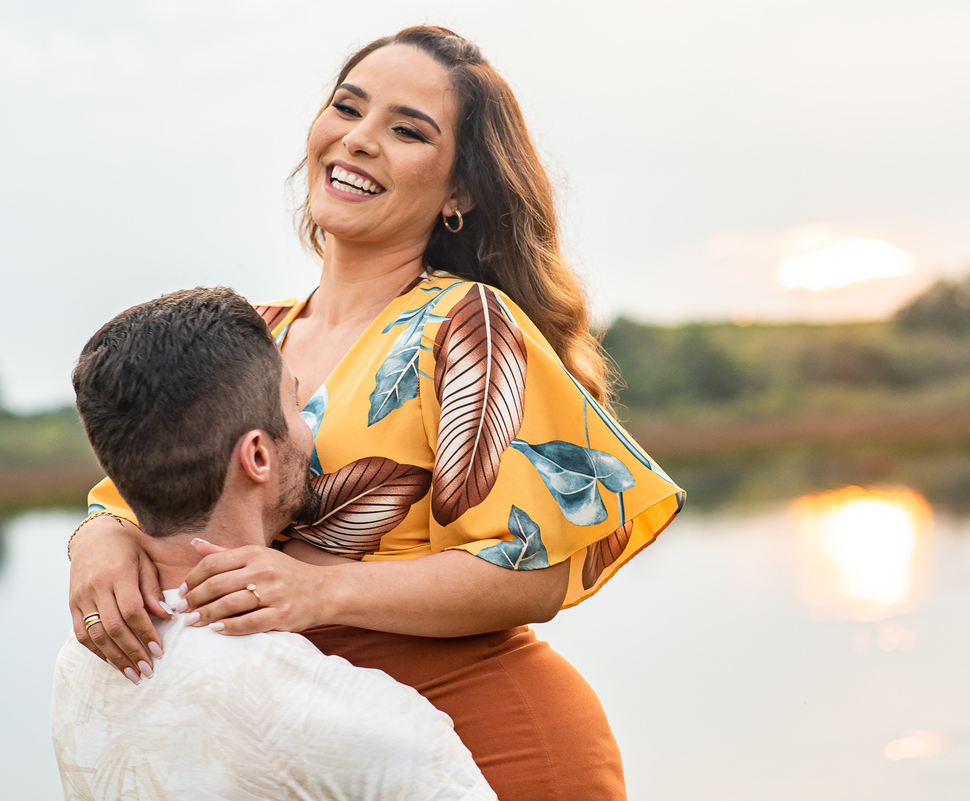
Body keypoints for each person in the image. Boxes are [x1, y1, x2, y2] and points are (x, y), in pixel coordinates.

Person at [67, 26, 684, 800]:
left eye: (406, 129)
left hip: (485, 736)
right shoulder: (250, 332)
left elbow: (536, 572)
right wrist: (95, 540)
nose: (359, 141)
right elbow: (145, 486)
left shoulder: (467, 327)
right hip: (303, 750)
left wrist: (323, 593)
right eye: (348, 109)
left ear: (460, 191)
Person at [53, 287, 494, 801]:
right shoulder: (378, 728)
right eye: (296, 403)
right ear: (258, 455)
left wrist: (97, 529)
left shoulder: (80, 662)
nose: (312, 429)